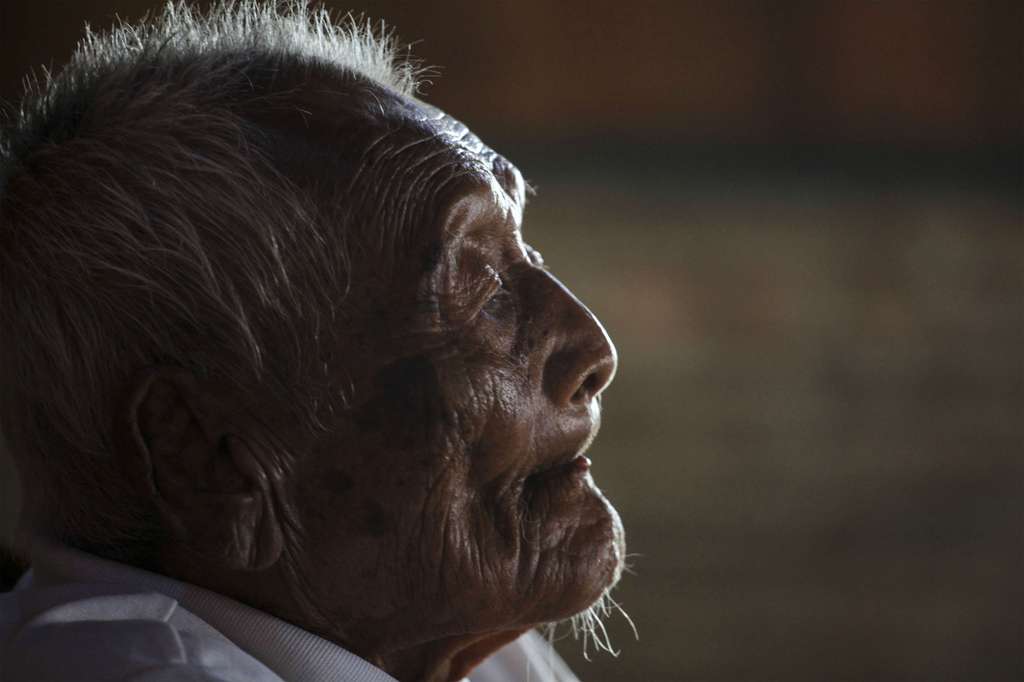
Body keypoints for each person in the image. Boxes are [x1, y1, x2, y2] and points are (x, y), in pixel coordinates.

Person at [0, 2, 624, 680]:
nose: (594, 351)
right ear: (205, 454)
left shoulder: (458, 641)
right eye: (477, 290)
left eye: (524, 253)